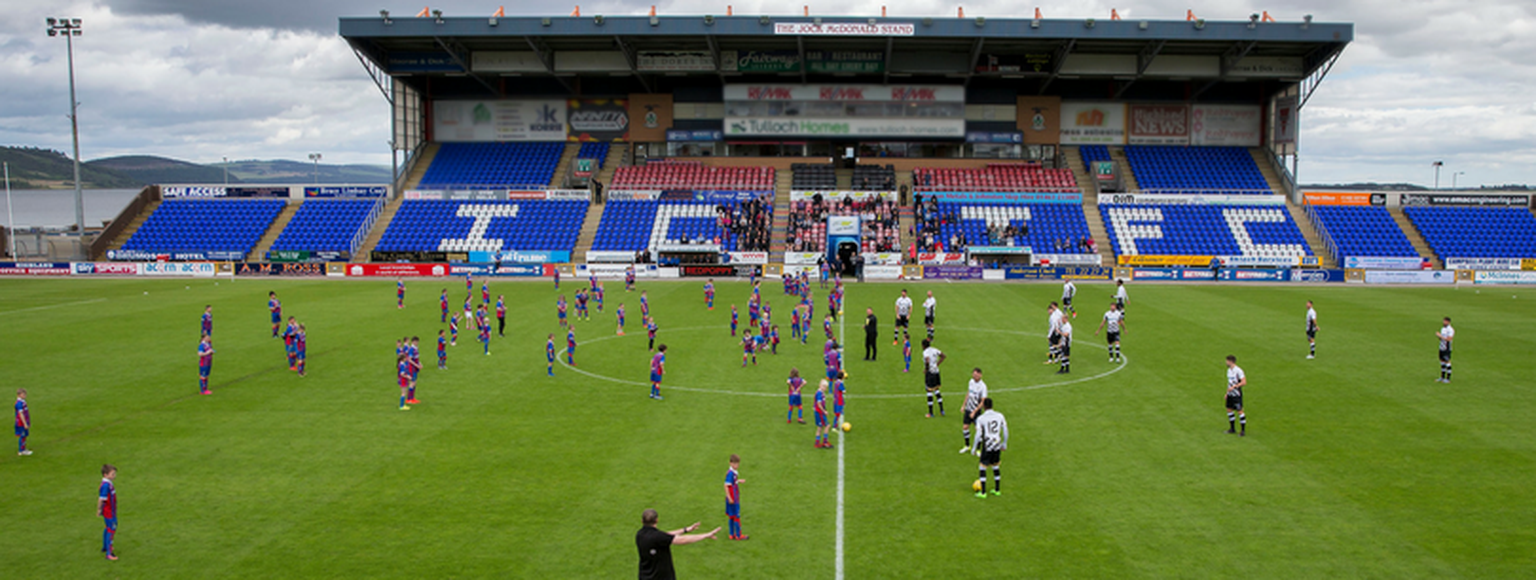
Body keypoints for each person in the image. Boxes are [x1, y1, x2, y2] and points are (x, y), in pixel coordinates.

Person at [635, 509, 719, 580]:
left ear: (642, 521)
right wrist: (705, 535)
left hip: (644, 576)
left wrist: (685, 530)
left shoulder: (640, 534)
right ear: (657, 520)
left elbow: (665, 536)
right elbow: (682, 540)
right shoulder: (658, 537)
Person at [971, 398, 1008, 498]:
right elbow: (1005, 430)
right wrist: (1004, 443)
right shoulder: (999, 416)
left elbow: (978, 435)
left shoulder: (981, 418)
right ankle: (997, 490)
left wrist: (974, 448)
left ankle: (983, 492)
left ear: (984, 406)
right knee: (995, 466)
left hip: (987, 444)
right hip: (997, 444)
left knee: (982, 467)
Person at [960, 368, 988, 454]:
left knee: (978, 430)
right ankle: (967, 446)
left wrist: (974, 412)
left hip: (977, 411)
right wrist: (963, 405)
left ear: (980, 375)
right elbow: (968, 393)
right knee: (965, 427)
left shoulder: (983, 386)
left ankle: (979, 449)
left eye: (976, 375)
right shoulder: (971, 382)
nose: (975, 376)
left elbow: (983, 402)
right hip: (968, 409)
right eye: (974, 374)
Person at [724, 454, 748, 540]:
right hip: (733, 499)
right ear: (730, 463)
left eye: (737, 464)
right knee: (736, 516)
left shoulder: (733, 473)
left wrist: (738, 481)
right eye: (734, 464)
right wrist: (730, 498)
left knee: (731, 516)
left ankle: (731, 534)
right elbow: (726, 486)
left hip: (733, 498)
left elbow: (732, 483)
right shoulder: (730, 474)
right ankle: (739, 535)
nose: (736, 466)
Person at [98, 464, 119, 560]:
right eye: (113, 474)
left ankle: (105, 547)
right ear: (105, 475)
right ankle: (109, 553)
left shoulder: (108, 483)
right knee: (111, 529)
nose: (114, 476)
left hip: (109, 511)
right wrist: (99, 509)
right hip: (109, 512)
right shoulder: (106, 486)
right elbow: (101, 499)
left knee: (107, 528)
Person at [922, 338, 946, 418]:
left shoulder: (925, 352)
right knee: (936, 390)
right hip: (936, 372)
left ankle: (931, 412)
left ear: (923, 345)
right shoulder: (934, 349)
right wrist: (936, 365)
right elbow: (943, 356)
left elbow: (927, 360)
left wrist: (926, 369)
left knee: (929, 392)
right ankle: (942, 410)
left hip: (930, 373)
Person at [1225, 355, 1247, 436]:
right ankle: (1232, 428)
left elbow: (1244, 382)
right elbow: (1230, 383)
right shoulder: (1229, 370)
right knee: (1229, 409)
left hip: (1237, 394)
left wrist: (1234, 387)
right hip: (1230, 394)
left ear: (1231, 361)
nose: (1226, 363)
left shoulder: (1238, 371)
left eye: (1227, 361)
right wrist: (1227, 393)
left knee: (1240, 411)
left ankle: (1242, 430)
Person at [813, 380, 833, 448]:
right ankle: (824, 442)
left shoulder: (821, 392)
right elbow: (819, 404)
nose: (825, 388)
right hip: (820, 413)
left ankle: (817, 443)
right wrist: (824, 411)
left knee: (820, 427)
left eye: (826, 387)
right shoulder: (819, 393)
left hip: (819, 412)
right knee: (827, 426)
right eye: (824, 386)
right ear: (820, 385)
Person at [1437, 317, 1455, 383]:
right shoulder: (1443, 329)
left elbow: (1449, 339)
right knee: (1442, 361)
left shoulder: (1450, 330)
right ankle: (1442, 377)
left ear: (1448, 322)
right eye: (1443, 321)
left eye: (1445, 321)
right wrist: (1439, 337)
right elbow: (1442, 339)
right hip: (1441, 347)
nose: (1444, 322)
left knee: (1447, 362)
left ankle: (1448, 378)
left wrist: (1440, 336)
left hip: (1447, 348)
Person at [15, 389, 31, 456]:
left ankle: (23, 448)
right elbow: (21, 414)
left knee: (25, 435)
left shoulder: (23, 402)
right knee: (22, 435)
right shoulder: (19, 404)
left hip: (24, 422)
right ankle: (21, 450)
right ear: (19, 395)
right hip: (21, 423)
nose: (25, 395)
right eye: (23, 394)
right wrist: (25, 423)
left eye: (25, 394)